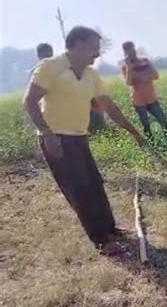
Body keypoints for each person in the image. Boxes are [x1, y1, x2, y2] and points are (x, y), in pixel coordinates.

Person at [23, 26, 147, 256]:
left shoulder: (91, 75)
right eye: (93, 48)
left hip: (79, 137)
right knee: (79, 189)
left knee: (94, 183)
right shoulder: (50, 67)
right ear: (77, 44)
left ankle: (109, 229)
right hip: (57, 139)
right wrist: (47, 134)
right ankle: (101, 240)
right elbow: (29, 101)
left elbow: (109, 107)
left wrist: (134, 132)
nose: (97, 54)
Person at [121, 41, 167, 140]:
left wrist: (142, 77)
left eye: (132, 49)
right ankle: (152, 143)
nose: (131, 52)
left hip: (151, 98)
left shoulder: (145, 61)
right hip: (138, 101)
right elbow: (129, 83)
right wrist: (129, 68)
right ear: (125, 53)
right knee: (146, 125)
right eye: (128, 50)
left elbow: (156, 75)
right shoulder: (125, 67)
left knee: (163, 120)